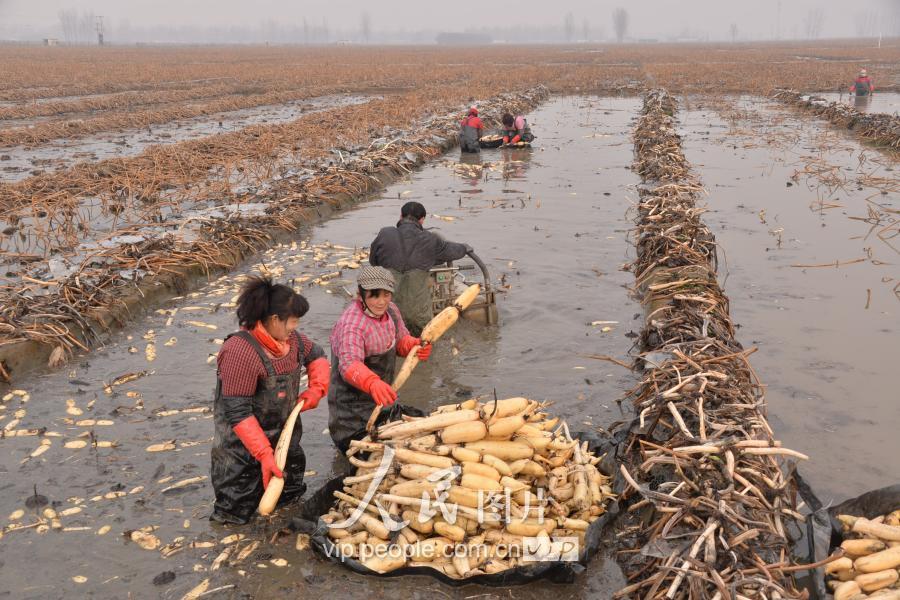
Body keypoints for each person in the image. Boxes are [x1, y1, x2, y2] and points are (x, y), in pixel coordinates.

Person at [210, 277, 330, 524]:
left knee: (288, 506)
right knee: (236, 519)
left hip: (285, 445)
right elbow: (238, 412)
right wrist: (264, 455)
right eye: (293, 320)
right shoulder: (239, 352)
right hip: (242, 456)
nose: (295, 327)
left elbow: (316, 355)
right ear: (275, 319)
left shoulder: (292, 341)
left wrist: (317, 388)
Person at [327, 266, 432, 452]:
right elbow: (349, 365)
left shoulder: (391, 311)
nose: (381, 302)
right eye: (374, 296)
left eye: (386, 294)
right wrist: (372, 383)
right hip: (351, 414)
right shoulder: (352, 324)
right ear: (361, 295)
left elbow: (400, 340)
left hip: (381, 403)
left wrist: (413, 346)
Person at [369, 201, 471, 335]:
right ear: (422, 220)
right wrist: (465, 248)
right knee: (422, 348)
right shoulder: (430, 239)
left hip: (387, 312)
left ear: (401, 216)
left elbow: (373, 261)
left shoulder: (385, 234)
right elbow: (451, 250)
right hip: (418, 316)